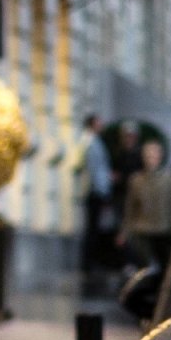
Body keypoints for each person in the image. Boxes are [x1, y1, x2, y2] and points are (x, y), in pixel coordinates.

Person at [118, 139, 171, 272]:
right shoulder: (136, 180)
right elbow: (130, 207)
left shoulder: (169, 178)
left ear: (160, 157)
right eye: (148, 156)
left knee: (164, 266)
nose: (151, 159)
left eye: (154, 155)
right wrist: (125, 231)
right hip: (142, 230)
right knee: (145, 268)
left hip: (163, 229)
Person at [79, 114, 113, 278]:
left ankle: (90, 263)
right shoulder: (92, 143)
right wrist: (103, 191)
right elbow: (95, 170)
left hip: (94, 191)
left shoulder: (91, 142)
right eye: (99, 123)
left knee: (93, 229)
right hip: (95, 192)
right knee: (93, 230)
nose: (102, 125)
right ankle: (89, 264)